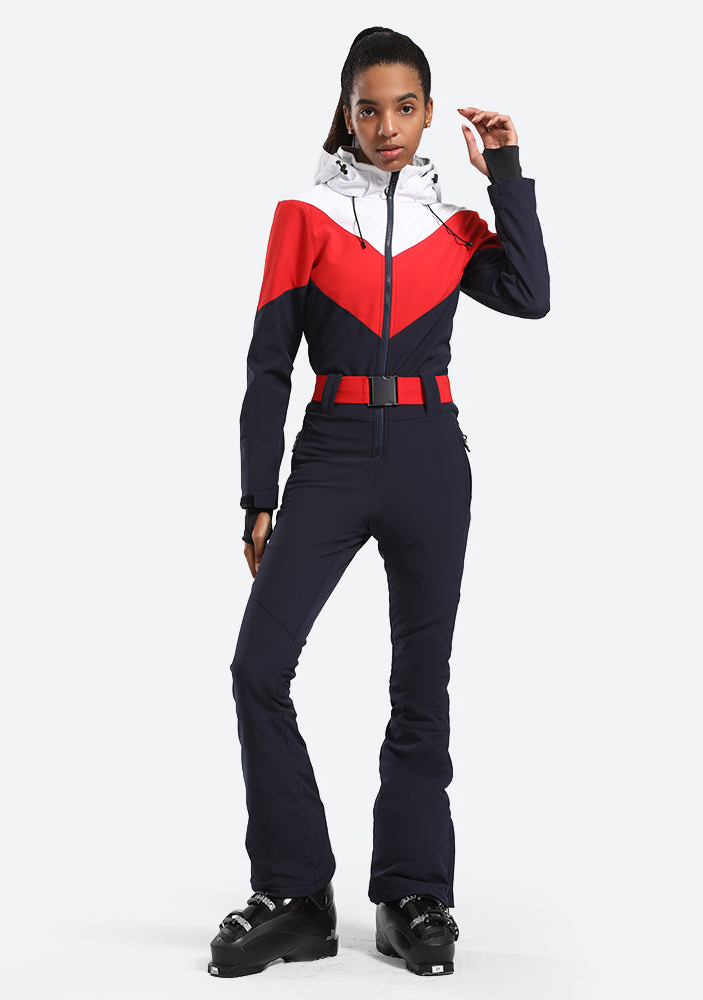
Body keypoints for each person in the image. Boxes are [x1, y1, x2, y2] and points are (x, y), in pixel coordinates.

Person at [208, 25, 550, 979]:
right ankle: (295, 895)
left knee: (420, 684)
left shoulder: (454, 221)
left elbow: (531, 294)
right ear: (347, 114)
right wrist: (258, 494)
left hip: (432, 456)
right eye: (369, 109)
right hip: (331, 452)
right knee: (258, 667)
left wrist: (506, 172)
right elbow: (269, 363)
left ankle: (412, 895)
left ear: (429, 113)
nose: (387, 126)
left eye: (405, 108)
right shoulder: (305, 213)